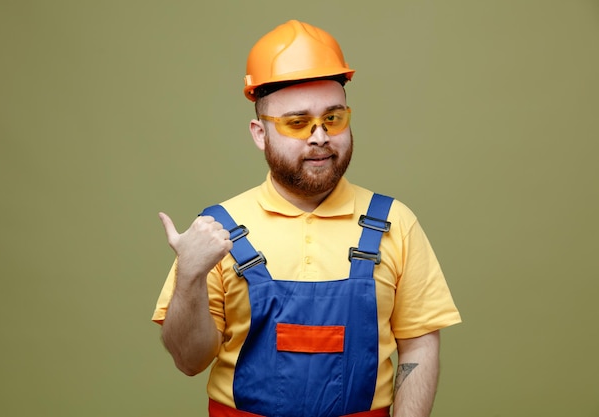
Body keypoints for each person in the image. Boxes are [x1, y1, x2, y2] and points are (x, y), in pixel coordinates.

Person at [152, 19, 461, 417]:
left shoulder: (395, 224)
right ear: (260, 133)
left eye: (333, 119)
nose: (319, 136)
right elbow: (189, 361)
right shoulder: (214, 231)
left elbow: (419, 345)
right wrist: (190, 276)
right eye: (297, 123)